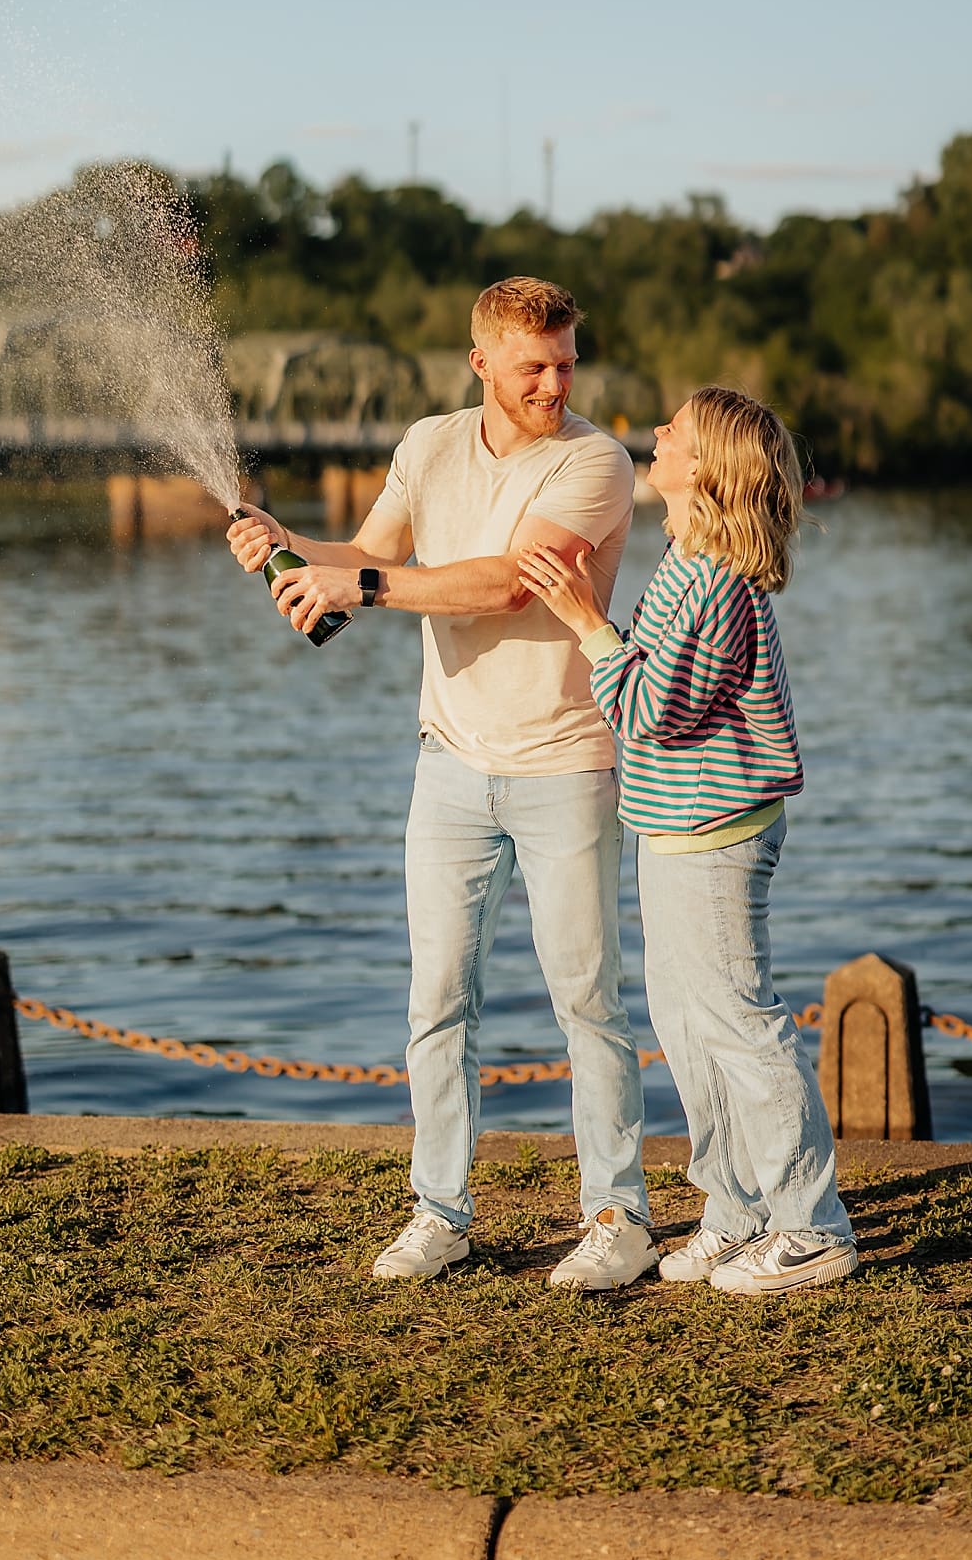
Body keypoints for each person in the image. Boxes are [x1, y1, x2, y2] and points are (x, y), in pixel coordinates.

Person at [226, 277, 657, 1292]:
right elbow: (367, 553)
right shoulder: (427, 444)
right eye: (533, 368)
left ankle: (619, 1220)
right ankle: (440, 1215)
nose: (555, 384)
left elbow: (513, 580)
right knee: (436, 1000)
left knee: (586, 1001)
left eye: (565, 364)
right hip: (450, 766)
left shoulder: (596, 462)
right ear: (481, 364)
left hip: (565, 766)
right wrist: (284, 544)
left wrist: (362, 588)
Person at [518, 386, 858, 1296]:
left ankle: (813, 1227)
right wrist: (604, 625)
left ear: (702, 468)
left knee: (741, 1027)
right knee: (688, 1028)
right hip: (676, 831)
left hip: (715, 837)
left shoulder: (712, 579)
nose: (656, 433)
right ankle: (735, 1210)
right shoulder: (686, 556)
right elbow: (661, 692)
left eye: (675, 429)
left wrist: (588, 621)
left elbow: (647, 713)